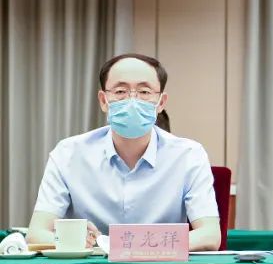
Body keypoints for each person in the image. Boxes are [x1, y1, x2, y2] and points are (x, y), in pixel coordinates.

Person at [27, 53, 221, 251]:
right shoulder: (68, 154)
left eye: (144, 92)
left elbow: (210, 236)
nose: (132, 100)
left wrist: (121, 246)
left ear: (161, 103)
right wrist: (72, 239)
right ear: (103, 100)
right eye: (120, 91)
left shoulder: (189, 155)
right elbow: (36, 234)